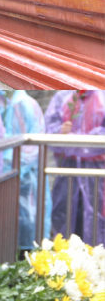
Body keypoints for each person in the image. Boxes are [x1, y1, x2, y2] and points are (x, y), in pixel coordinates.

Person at [0, 91, 52, 251]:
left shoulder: (28, 105)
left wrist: (9, 167)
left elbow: (34, 146)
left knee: (29, 228)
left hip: (25, 180)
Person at [45, 90, 105, 246]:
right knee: (64, 215)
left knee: (96, 219)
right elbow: (48, 131)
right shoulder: (62, 97)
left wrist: (74, 141)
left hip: (98, 172)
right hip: (67, 169)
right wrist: (60, 131)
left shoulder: (101, 97)